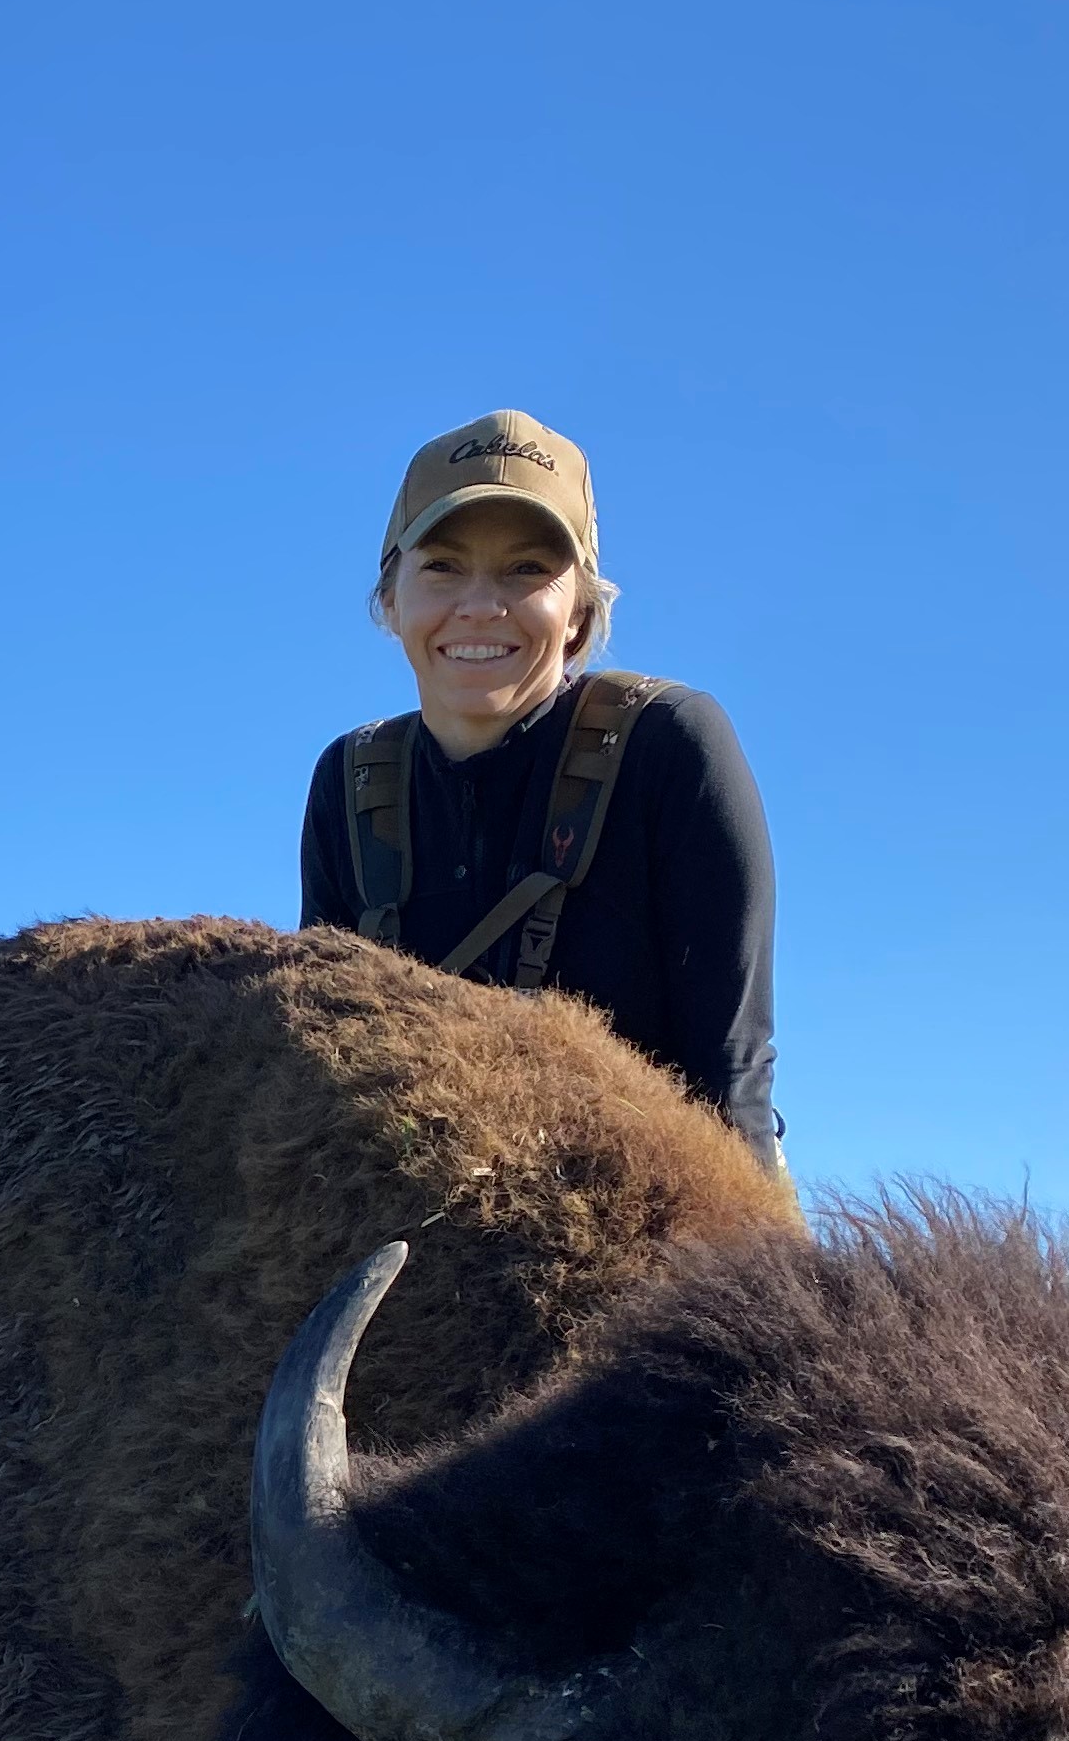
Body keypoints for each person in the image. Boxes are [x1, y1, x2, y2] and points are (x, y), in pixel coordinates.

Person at [298, 410, 780, 1174]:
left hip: (642, 1230)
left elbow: (730, 1073)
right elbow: (317, 1066)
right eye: (443, 567)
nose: (482, 607)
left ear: (582, 610)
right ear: (390, 598)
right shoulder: (349, 780)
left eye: (527, 569)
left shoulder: (671, 743)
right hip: (404, 1223)